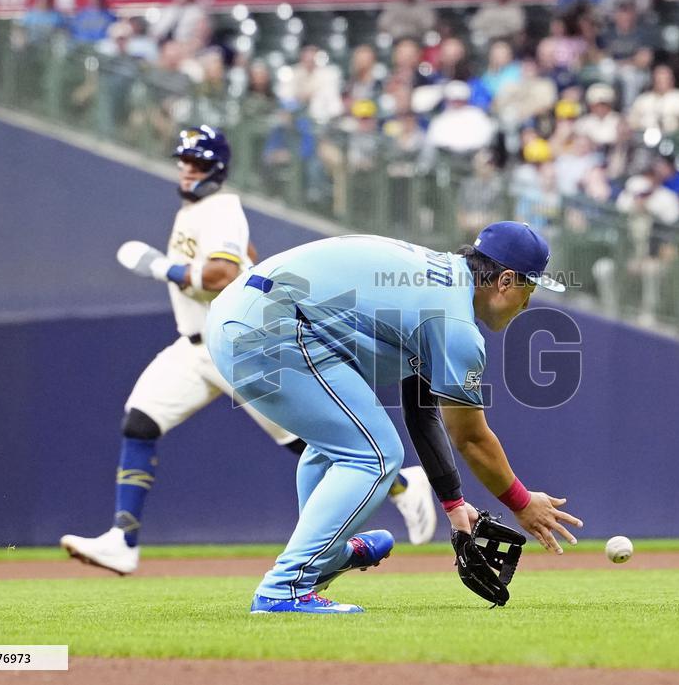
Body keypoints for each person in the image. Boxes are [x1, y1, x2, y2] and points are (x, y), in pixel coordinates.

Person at [60, 127, 438, 574]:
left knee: (311, 438)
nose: (186, 169)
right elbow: (246, 260)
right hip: (194, 346)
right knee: (140, 421)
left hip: (237, 348)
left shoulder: (221, 209)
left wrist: (163, 267)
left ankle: (397, 485)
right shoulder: (201, 211)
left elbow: (221, 274)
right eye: (183, 161)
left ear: (216, 168)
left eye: (196, 162)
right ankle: (123, 539)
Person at [205, 223, 582, 613]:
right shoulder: (455, 326)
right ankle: (285, 587)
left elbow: (421, 410)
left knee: (339, 447)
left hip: (243, 316)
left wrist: (455, 507)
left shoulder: (444, 285)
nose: (527, 303)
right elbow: (470, 437)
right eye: (529, 288)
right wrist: (521, 502)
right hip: (268, 326)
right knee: (375, 456)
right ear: (505, 280)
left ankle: (321, 559)